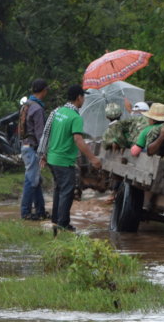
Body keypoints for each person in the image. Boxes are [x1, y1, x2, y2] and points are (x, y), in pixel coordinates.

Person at [39, 85, 102, 231]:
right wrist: (93, 158)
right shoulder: (75, 117)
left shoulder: (57, 111)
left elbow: (46, 133)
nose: (84, 100)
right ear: (79, 97)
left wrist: (43, 154)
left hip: (52, 159)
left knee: (58, 189)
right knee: (67, 191)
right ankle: (63, 224)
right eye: (83, 97)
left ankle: (56, 220)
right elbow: (78, 140)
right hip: (64, 160)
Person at [18, 78, 49, 220]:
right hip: (32, 147)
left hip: (25, 146)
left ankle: (40, 210)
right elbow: (40, 133)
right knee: (31, 180)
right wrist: (44, 153)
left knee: (35, 179)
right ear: (44, 91)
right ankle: (25, 212)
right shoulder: (37, 108)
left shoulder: (27, 105)